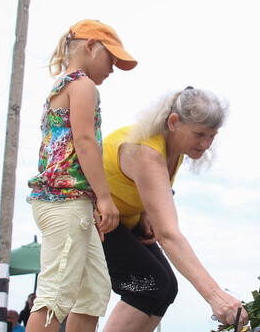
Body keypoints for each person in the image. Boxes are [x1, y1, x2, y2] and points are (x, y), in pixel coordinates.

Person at [100, 87, 247, 332]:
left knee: (166, 287)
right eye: (199, 134)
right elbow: (168, 235)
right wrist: (215, 295)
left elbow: (144, 189)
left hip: (127, 217)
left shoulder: (175, 151)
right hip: (96, 214)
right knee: (150, 285)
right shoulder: (146, 151)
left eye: (212, 136)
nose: (206, 144)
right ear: (173, 122)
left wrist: (146, 214)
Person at [26, 19, 137, 332]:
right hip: (65, 202)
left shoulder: (64, 85)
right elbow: (85, 141)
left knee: (93, 293)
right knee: (55, 295)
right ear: (91, 46)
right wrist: (104, 198)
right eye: (111, 59)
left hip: (71, 203)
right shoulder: (82, 85)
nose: (112, 69)